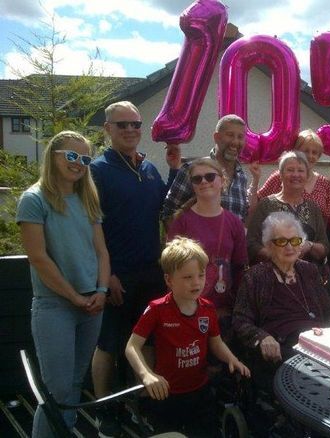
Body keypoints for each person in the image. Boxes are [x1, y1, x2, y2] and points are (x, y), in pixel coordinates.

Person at [89, 101, 180, 436]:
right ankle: (105, 412)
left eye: (135, 124)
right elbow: (89, 226)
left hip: (150, 273)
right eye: (122, 124)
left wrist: (174, 169)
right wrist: (107, 275)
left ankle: (143, 407)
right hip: (117, 275)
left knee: (148, 343)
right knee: (109, 346)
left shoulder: (149, 168)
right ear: (107, 129)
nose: (130, 130)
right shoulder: (97, 170)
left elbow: (165, 206)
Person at [16, 131, 110, 436]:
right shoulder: (33, 199)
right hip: (55, 305)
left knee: (74, 383)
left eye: (85, 159)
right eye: (71, 156)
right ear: (53, 156)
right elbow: (38, 258)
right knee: (55, 393)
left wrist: (101, 291)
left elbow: (101, 251)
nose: (78, 163)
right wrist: (74, 297)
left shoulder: (87, 198)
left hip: (91, 305)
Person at [125, 237, 250, 435]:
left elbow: (216, 343)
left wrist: (232, 359)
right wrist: (147, 375)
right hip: (167, 395)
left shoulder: (208, 309)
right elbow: (132, 347)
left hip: (200, 391)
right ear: (169, 280)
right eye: (187, 277)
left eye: (201, 275)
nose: (197, 282)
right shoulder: (157, 309)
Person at [233, 212, 330, 371]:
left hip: (317, 346)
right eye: (282, 241)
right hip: (282, 351)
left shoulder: (310, 270)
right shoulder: (255, 276)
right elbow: (240, 320)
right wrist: (262, 337)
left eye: (294, 240)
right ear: (269, 245)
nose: (289, 247)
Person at [167, 158, 248, 337]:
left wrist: (235, 308)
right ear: (193, 185)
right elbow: (171, 270)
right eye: (197, 179)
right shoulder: (181, 222)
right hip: (188, 310)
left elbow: (239, 268)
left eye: (210, 177)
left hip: (223, 311)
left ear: (222, 180)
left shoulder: (234, 222)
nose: (204, 181)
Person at [162, 114, 257, 223]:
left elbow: (242, 218)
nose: (235, 142)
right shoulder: (192, 170)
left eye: (240, 137)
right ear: (216, 137)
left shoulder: (241, 177)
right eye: (230, 135)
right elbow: (168, 214)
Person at [246, 151, 328, 265]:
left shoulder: (313, 208)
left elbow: (325, 247)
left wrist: (310, 245)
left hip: (307, 273)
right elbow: (251, 243)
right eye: (290, 170)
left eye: (300, 170)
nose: (296, 175)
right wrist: (276, 255)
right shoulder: (266, 204)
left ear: (307, 176)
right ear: (280, 174)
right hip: (272, 272)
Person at [257, 129, 330, 219]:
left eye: (314, 152)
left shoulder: (325, 183)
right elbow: (258, 202)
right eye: (306, 151)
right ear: (296, 151)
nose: (310, 156)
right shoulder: (280, 176)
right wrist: (255, 180)